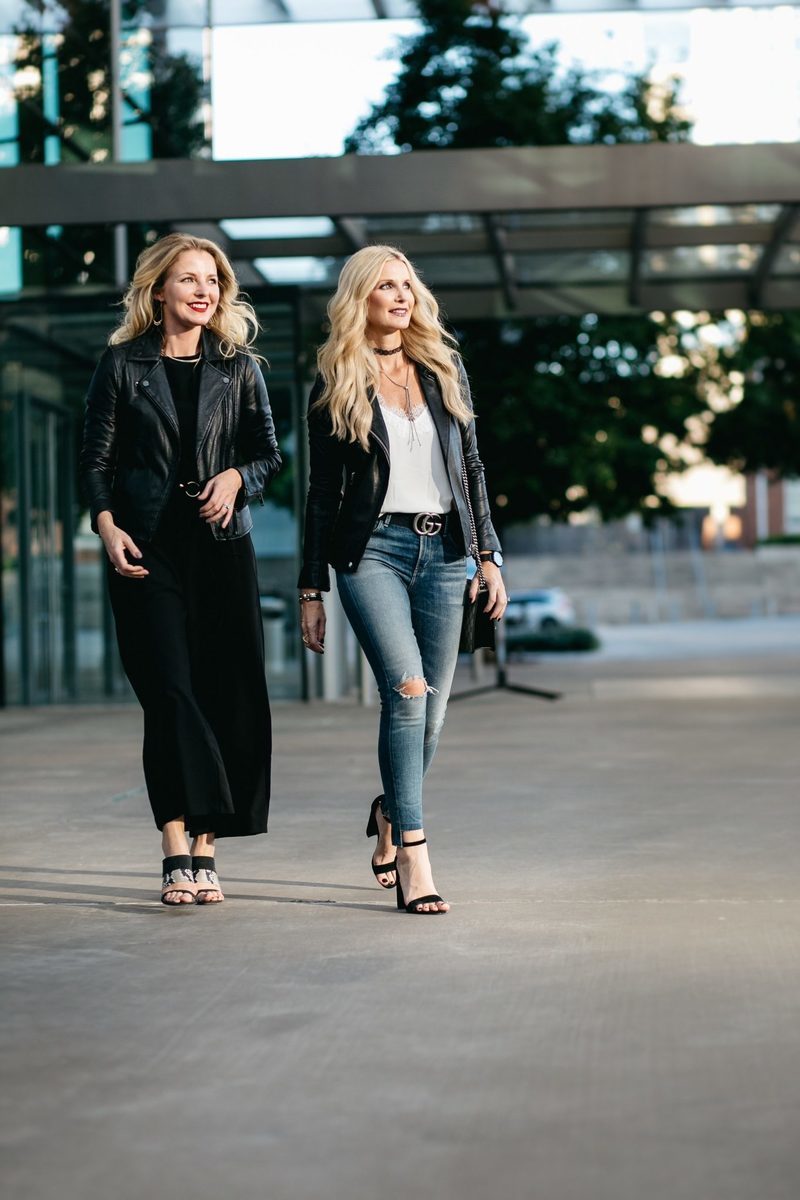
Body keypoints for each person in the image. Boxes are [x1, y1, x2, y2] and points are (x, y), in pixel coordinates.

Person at [298, 245, 506, 915]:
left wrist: (488, 556)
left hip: (444, 552)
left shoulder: (445, 369)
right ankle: (416, 853)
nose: (400, 295)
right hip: (373, 554)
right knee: (408, 692)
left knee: (432, 713)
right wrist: (311, 589)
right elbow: (320, 495)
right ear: (361, 297)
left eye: (407, 284)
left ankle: (389, 810)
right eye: (386, 285)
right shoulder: (337, 381)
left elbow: (471, 470)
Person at [80, 233, 281, 906]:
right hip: (145, 547)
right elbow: (96, 462)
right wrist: (106, 526)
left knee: (225, 692)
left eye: (214, 281)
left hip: (223, 546)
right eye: (189, 279)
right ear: (159, 289)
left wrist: (236, 477)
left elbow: (268, 454)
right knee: (168, 691)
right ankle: (174, 844)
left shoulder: (240, 366)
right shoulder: (121, 365)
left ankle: (206, 847)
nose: (204, 290)